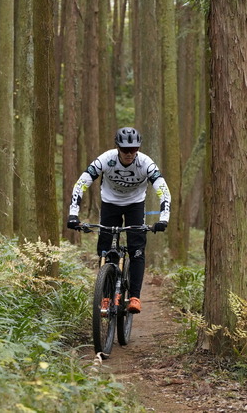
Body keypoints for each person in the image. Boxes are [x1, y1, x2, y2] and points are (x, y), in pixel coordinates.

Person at [66, 127, 171, 314]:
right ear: (118, 148)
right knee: (105, 248)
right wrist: (73, 214)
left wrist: (164, 219)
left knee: (136, 249)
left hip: (135, 205)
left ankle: (135, 297)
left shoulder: (146, 163)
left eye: (134, 149)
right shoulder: (106, 159)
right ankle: (105, 295)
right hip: (110, 203)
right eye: (125, 149)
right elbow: (82, 182)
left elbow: (163, 189)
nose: (129, 153)